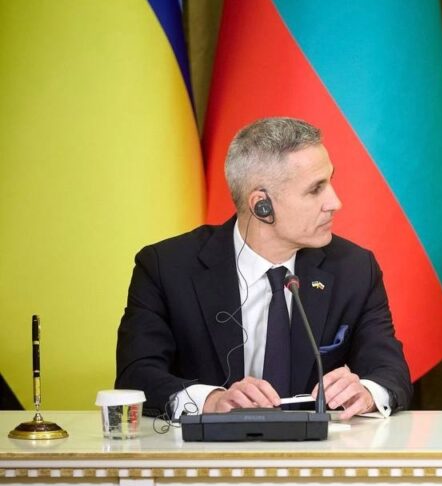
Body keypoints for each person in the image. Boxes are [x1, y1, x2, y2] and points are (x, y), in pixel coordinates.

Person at [116, 117, 412, 420]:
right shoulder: (166, 268)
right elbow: (136, 376)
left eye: (329, 182)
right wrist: (212, 401)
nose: (335, 202)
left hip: (319, 447)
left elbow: (390, 371)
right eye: (315, 190)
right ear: (262, 205)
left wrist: (367, 392)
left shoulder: (355, 269)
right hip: (208, 448)